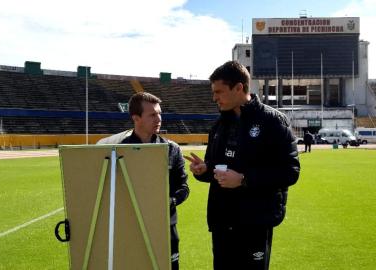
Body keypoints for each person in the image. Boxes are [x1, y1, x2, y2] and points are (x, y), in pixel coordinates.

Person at [184, 61, 300, 270]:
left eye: (219, 91)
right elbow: (216, 168)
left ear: (239, 88)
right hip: (222, 221)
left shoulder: (273, 121)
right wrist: (204, 170)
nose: (214, 98)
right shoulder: (219, 126)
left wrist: (244, 180)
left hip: (255, 221)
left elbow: (290, 172)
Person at [97, 92, 189, 270]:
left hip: (165, 227)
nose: (159, 118)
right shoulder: (118, 151)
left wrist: (171, 201)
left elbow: (184, 187)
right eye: (152, 114)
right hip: (129, 228)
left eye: (159, 113)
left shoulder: (172, 149)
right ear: (136, 118)